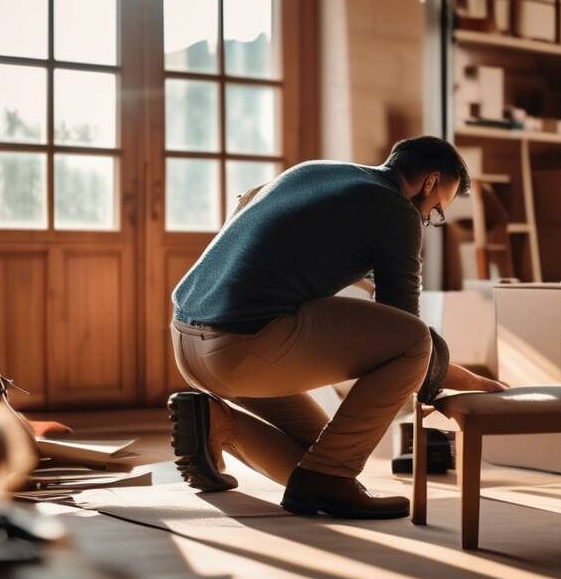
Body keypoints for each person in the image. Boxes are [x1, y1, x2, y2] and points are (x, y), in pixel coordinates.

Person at [168, 136, 507, 519]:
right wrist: (478, 384)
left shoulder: (315, 171)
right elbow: (408, 334)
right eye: (436, 210)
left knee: (325, 451)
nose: (428, 218)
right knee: (414, 340)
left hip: (188, 342)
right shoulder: (397, 210)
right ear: (430, 181)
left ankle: (217, 424)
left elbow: (255, 221)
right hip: (240, 346)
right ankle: (329, 480)